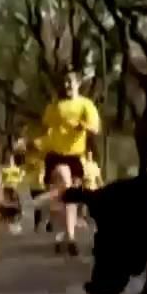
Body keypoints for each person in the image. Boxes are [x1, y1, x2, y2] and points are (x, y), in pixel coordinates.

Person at [39, 73, 102, 254]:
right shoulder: (55, 105)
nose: (67, 84)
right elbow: (45, 125)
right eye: (65, 81)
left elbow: (95, 128)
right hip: (56, 155)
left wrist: (82, 125)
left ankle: (63, 235)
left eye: (71, 81)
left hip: (75, 156)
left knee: (68, 198)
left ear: (78, 84)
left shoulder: (85, 105)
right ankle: (71, 238)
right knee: (65, 186)